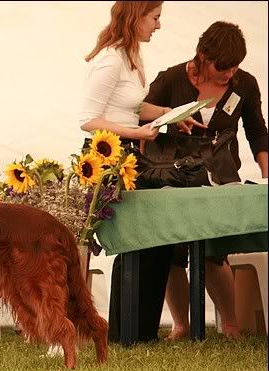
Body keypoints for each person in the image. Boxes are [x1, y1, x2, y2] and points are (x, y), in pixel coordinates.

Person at [79, 1, 205, 343]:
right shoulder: (110, 60)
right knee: (137, 238)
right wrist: (137, 132)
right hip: (107, 156)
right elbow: (88, 119)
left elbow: (132, 106)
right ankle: (128, 332)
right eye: (155, 18)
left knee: (153, 237)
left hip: (128, 153)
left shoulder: (131, 56)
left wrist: (168, 114)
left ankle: (139, 331)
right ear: (137, 17)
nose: (158, 25)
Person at [143, 21, 268, 339]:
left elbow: (257, 132)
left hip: (222, 178)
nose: (229, 73)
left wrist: (266, 173)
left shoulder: (245, 84)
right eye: (222, 67)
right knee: (172, 250)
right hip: (175, 177)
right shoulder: (170, 79)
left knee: (215, 250)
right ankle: (181, 325)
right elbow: (142, 119)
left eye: (235, 66)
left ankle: (230, 325)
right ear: (202, 56)